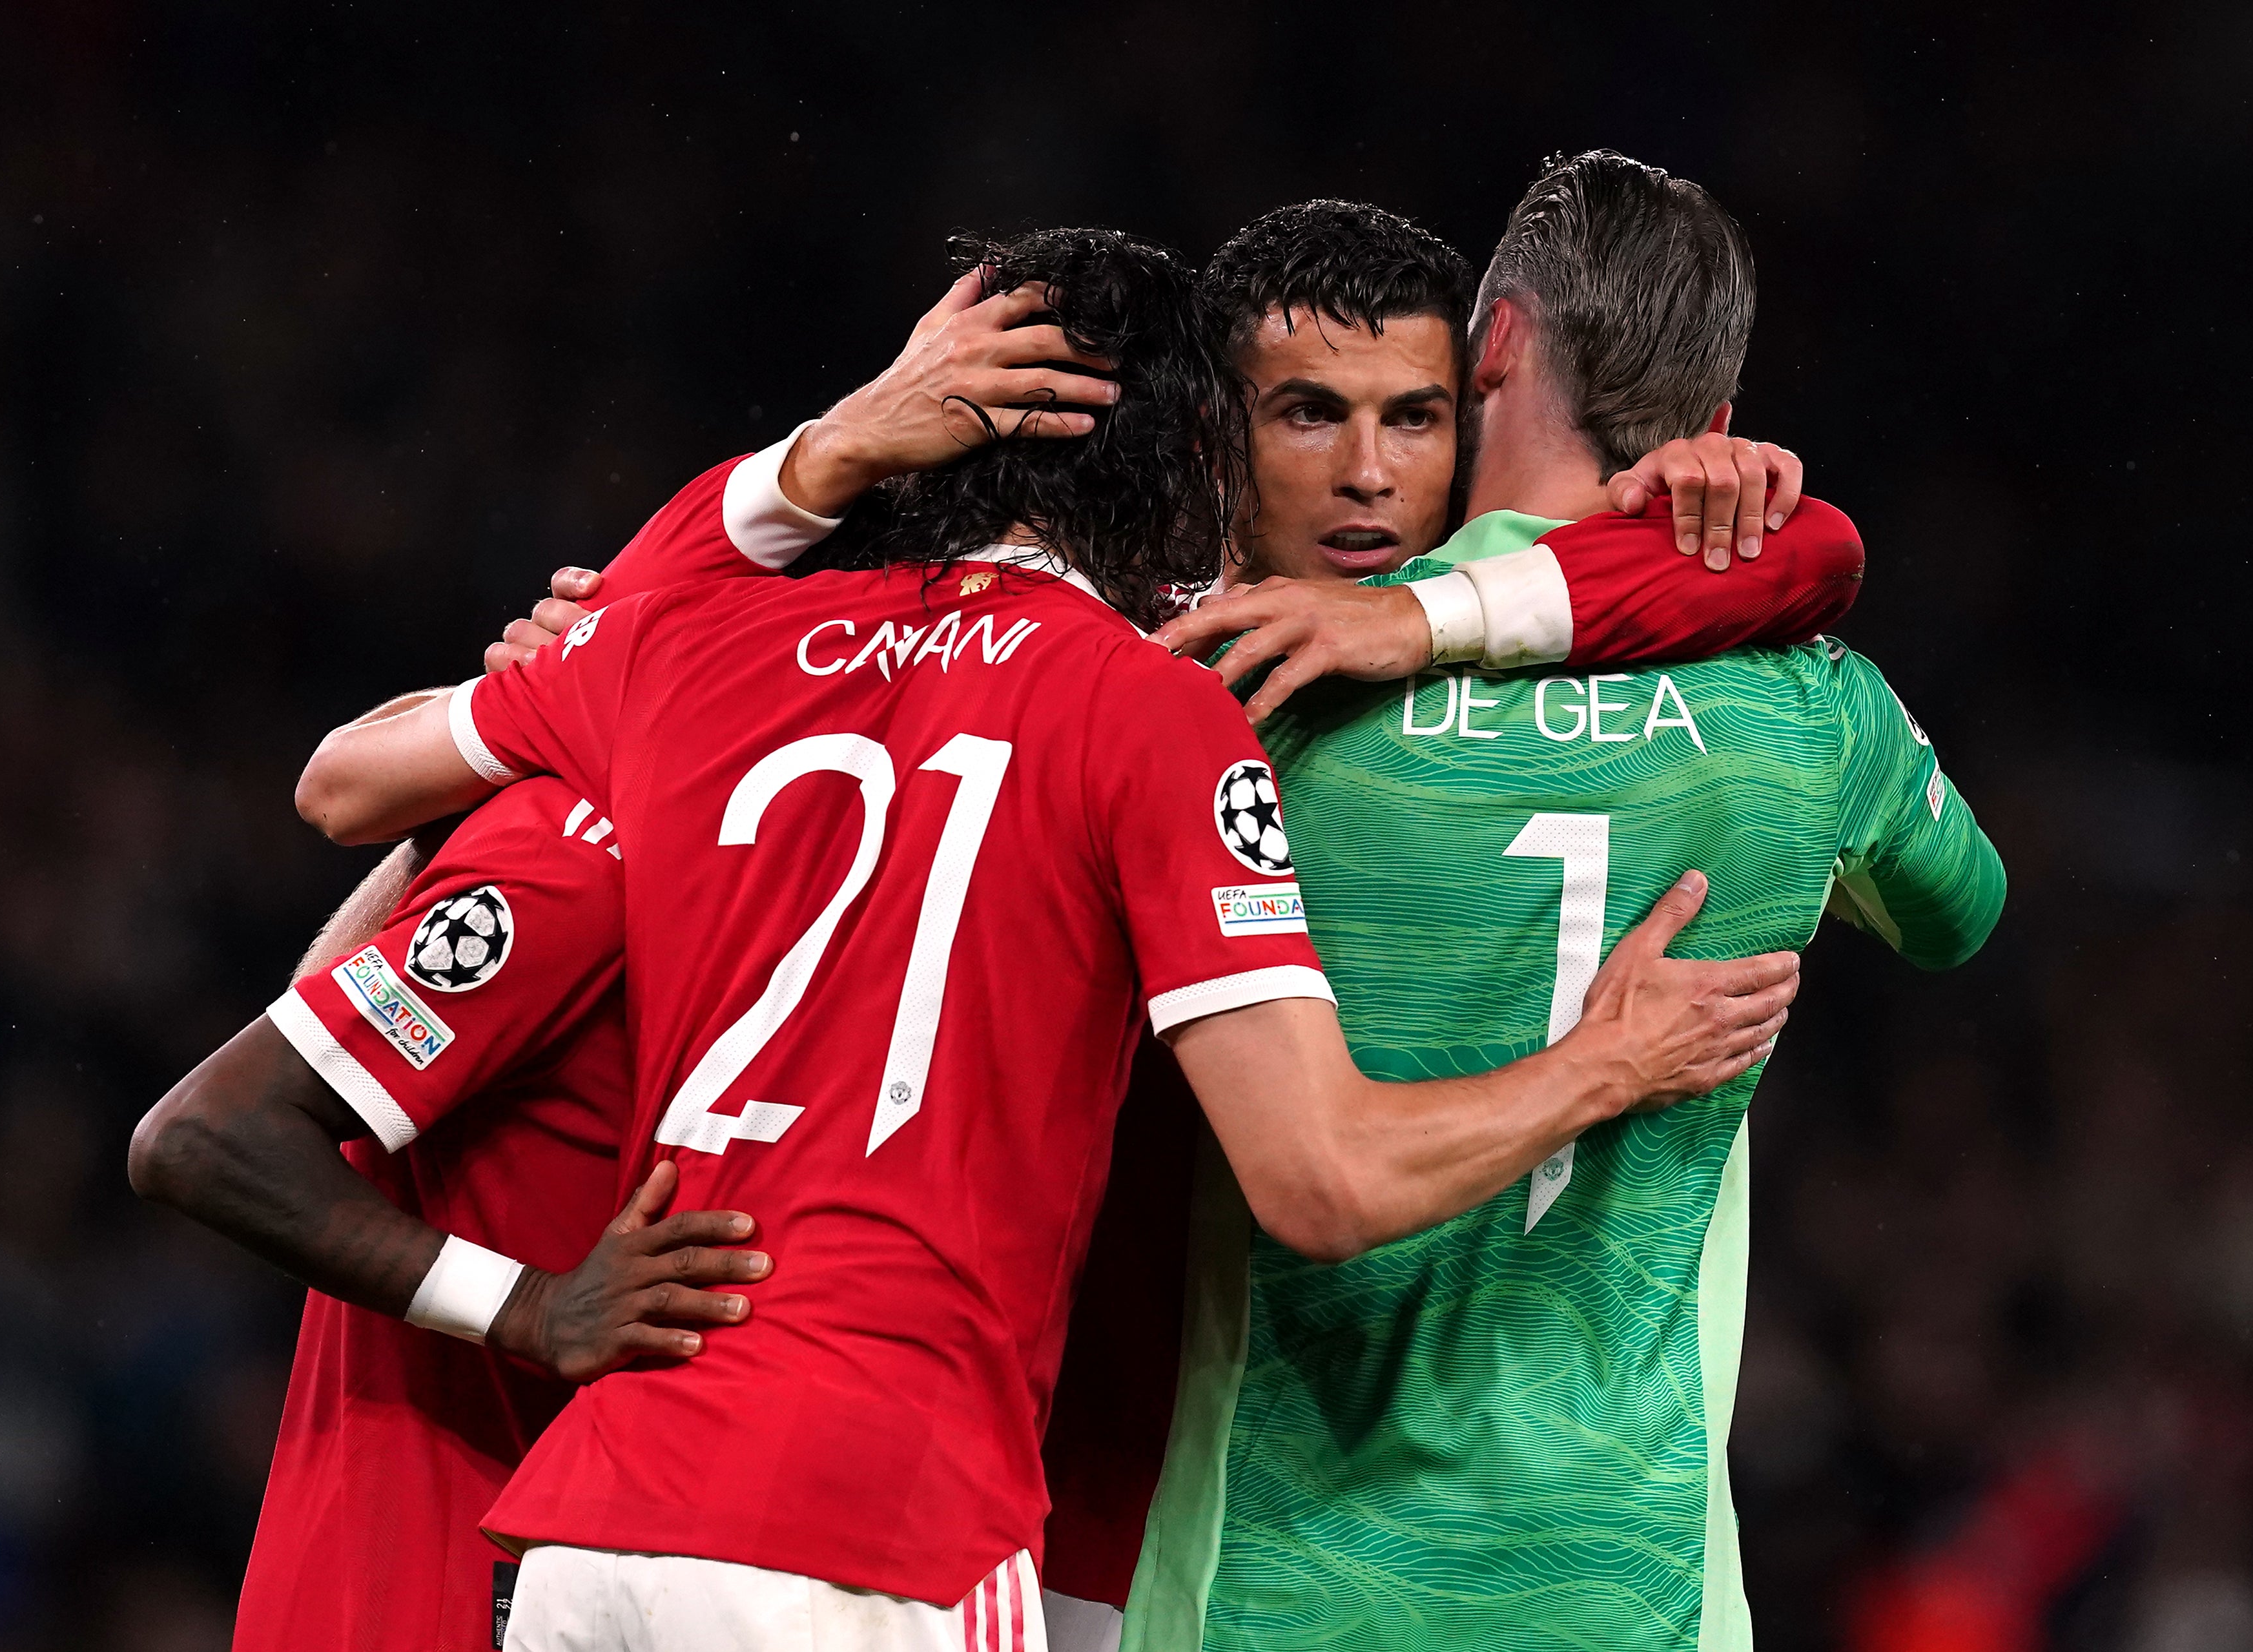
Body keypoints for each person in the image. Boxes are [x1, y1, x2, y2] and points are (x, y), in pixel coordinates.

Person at [246, 227, 1802, 1651]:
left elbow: (1814, 558)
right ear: (1203, 449)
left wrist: (813, 465)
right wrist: (1613, 1062)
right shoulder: (1159, 696)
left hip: (760, 1499)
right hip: (946, 1506)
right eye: (1304, 414)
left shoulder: (721, 650)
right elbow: (1318, 1175)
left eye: (1415, 418)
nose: (1366, 476)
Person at [1123, 153, 2008, 1652]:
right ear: (1718, 429)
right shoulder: (1814, 705)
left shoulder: (1251, 686)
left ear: (1501, 346)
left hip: (1278, 1588)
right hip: (1628, 1594)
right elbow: (1960, 910)